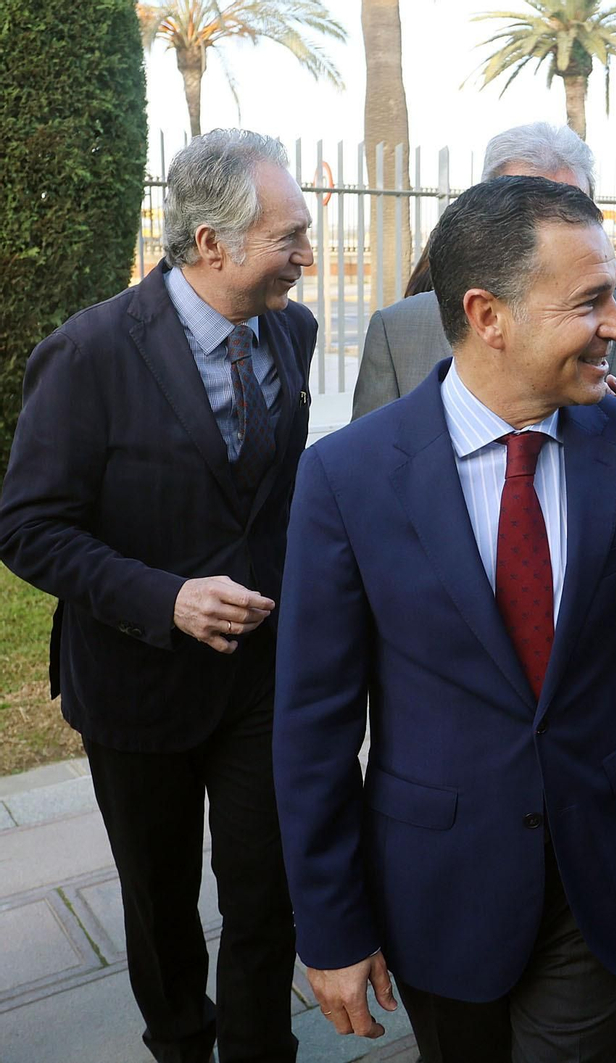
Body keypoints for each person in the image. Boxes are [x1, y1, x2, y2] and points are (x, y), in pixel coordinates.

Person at [272, 175, 616, 1062]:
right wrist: (331, 926)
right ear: (488, 313)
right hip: (439, 888)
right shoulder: (348, 478)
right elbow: (314, 728)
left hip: (604, 873)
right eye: (590, 303)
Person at [0, 129, 315, 1063]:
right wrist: (165, 597)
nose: (307, 255)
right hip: (137, 684)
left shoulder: (292, 332)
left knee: (266, 889)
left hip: (262, 681)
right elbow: (28, 526)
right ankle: (181, 1043)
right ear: (212, 244)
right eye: (290, 236)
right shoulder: (89, 353)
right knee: (161, 898)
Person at [350, 121, 616, 436]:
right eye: (524, 211)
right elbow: (370, 474)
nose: (554, 225)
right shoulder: (400, 332)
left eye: (571, 208)